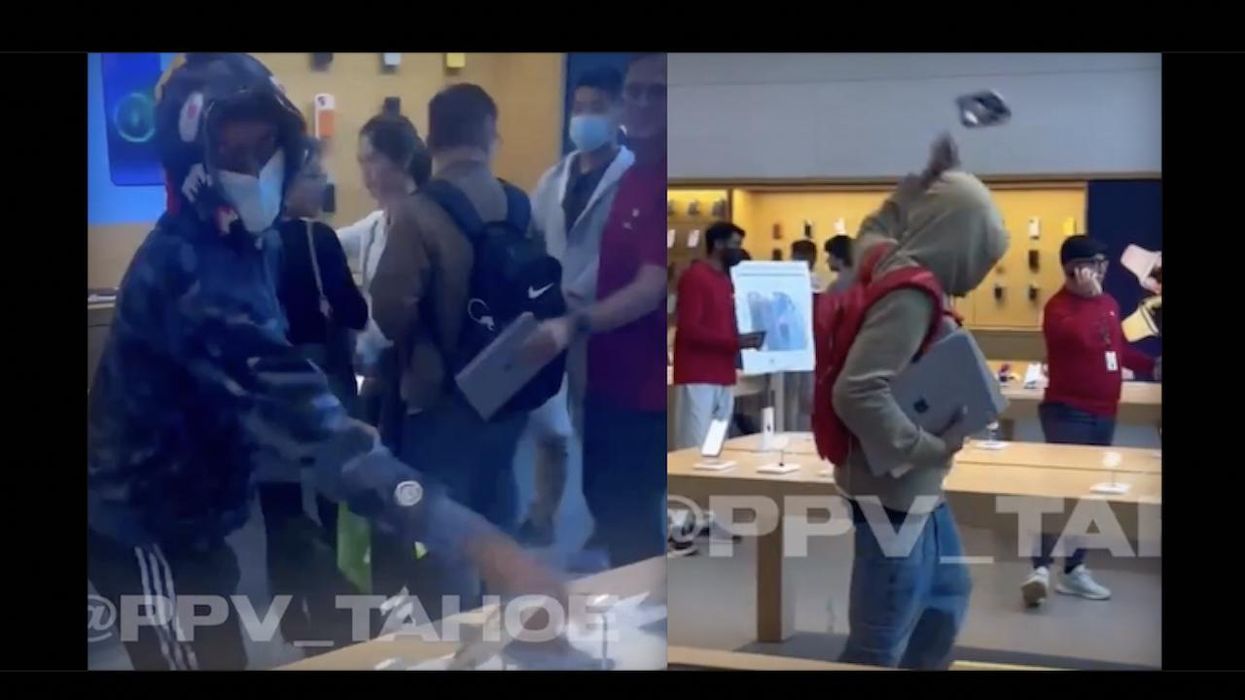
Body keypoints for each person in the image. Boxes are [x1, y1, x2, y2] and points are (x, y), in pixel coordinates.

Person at [86, 54, 561, 671]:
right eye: (235, 154)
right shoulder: (192, 269)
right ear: (195, 164)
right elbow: (314, 430)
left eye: (268, 148)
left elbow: (265, 392)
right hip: (144, 522)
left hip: (198, 515)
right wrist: (486, 545)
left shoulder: (250, 243)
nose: (258, 170)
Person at [832, 135, 1008, 669]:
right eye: (980, 252)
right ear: (959, 242)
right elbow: (856, 392)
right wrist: (932, 446)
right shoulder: (911, 295)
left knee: (947, 593)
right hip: (896, 487)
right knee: (881, 633)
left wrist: (912, 189)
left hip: (908, 486)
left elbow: (872, 231)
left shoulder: (887, 263)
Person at [370, 83, 533, 616]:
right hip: (507, 393)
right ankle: (505, 632)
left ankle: (457, 641)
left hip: (437, 403)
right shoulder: (519, 204)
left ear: (433, 137)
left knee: (445, 533)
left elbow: (389, 308)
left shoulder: (418, 214)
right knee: (498, 514)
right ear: (491, 134)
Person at [522, 53, 669, 569]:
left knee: (632, 514)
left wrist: (577, 316)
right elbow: (538, 240)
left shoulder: (656, 179)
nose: (644, 103)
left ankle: (649, 623)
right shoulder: (623, 179)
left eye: (659, 91)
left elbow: (650, 286)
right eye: (637, 92)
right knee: (602, 489)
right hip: (596, 361)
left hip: (639, 379)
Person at [258, 136, 369, 651]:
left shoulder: (249, 241)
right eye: (314, 176)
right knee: (331, 502)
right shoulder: (317, 240)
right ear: (289, 184)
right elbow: (354, 312)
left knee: (279, 505)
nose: (323, 184)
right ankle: (335, 615)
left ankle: (292, 616)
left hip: (267, 388)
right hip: (323, 381)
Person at [516, 66, 635, 547]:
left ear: (618, 112)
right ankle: (542, 513)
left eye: (596, 109)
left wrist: (580, 296)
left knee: (598, 425)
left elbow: (620, 254)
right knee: (549, 423)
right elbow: (534, 240)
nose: (584, 118)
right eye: (578, 108)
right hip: (551, 314)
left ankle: (607, 521)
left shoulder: (630, 177)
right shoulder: (555, 177)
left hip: (601, 317)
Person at [1020, 235, 1160, 608]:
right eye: (1096, 263)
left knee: (1089, 493)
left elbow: (1117, 349)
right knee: (1060, 491)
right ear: (1076, 269)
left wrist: (1152, 366)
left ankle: (1073, 570)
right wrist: (1091, 297)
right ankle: (1040, 569)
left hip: (1104, 411)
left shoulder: (1110, 304)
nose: (1104, 269)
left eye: (1104, 262)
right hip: (1068, 411)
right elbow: (1081, 339)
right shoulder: (1057, 310)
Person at [337, 113, 432, 444]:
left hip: (416, 373)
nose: (365, 175)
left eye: (371, 160)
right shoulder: (377, 223)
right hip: (379, 373)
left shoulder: (428, 222)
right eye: (360, 162)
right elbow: (330, 240)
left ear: (403, 158)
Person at [672, 221, 759, 449]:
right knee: (694, 445)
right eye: (735, 244)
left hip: (723, 372)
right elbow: (690, 329)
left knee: (717, 445)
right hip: (698, 374)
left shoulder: (726, 281)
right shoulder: (695, 277)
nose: (739, 250)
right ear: (718, 244)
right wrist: (734, 342)